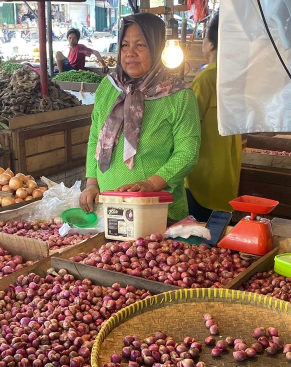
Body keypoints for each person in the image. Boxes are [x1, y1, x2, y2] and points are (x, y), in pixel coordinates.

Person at [79, 13, 201, 221]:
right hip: (108, 208)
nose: (130, 53)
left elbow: (187, 152)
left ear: (157, 47)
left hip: (157, 212)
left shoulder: (179, 95)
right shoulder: (108, 87)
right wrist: (91, 183)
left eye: (141, 45)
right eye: (125, 45)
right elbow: (94, 139)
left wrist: (151, 184)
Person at [185, 14, 244, 222]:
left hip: (201, 178)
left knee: (198, 233)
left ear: (210, 44)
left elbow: (187, 127)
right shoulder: (237, 77)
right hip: (228, 175)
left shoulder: (206, 78)